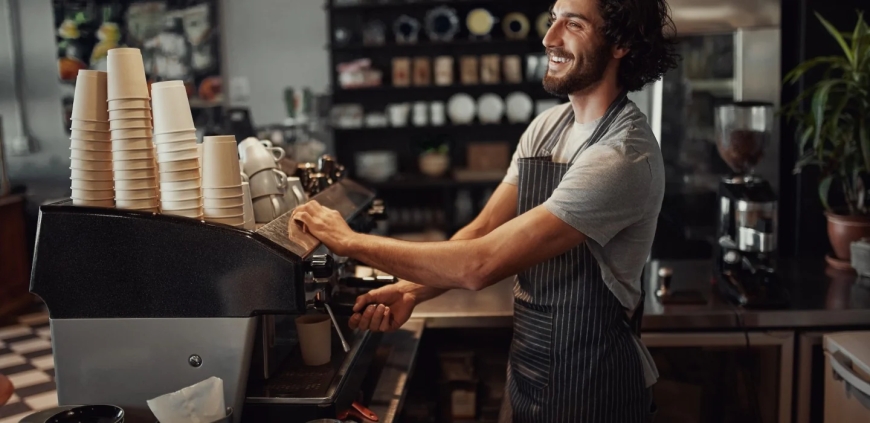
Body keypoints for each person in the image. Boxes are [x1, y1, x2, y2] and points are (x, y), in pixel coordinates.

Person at [292, 0, 678, 421]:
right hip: (529, 372)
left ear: (620, 42)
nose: (550, 38)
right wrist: (409, 291)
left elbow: (480, 264)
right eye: (552, 21)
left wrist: (349, 241)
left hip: (595, 386)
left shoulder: (621, 156)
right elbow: (479, 233)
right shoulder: (547, 128)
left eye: (574, 24)